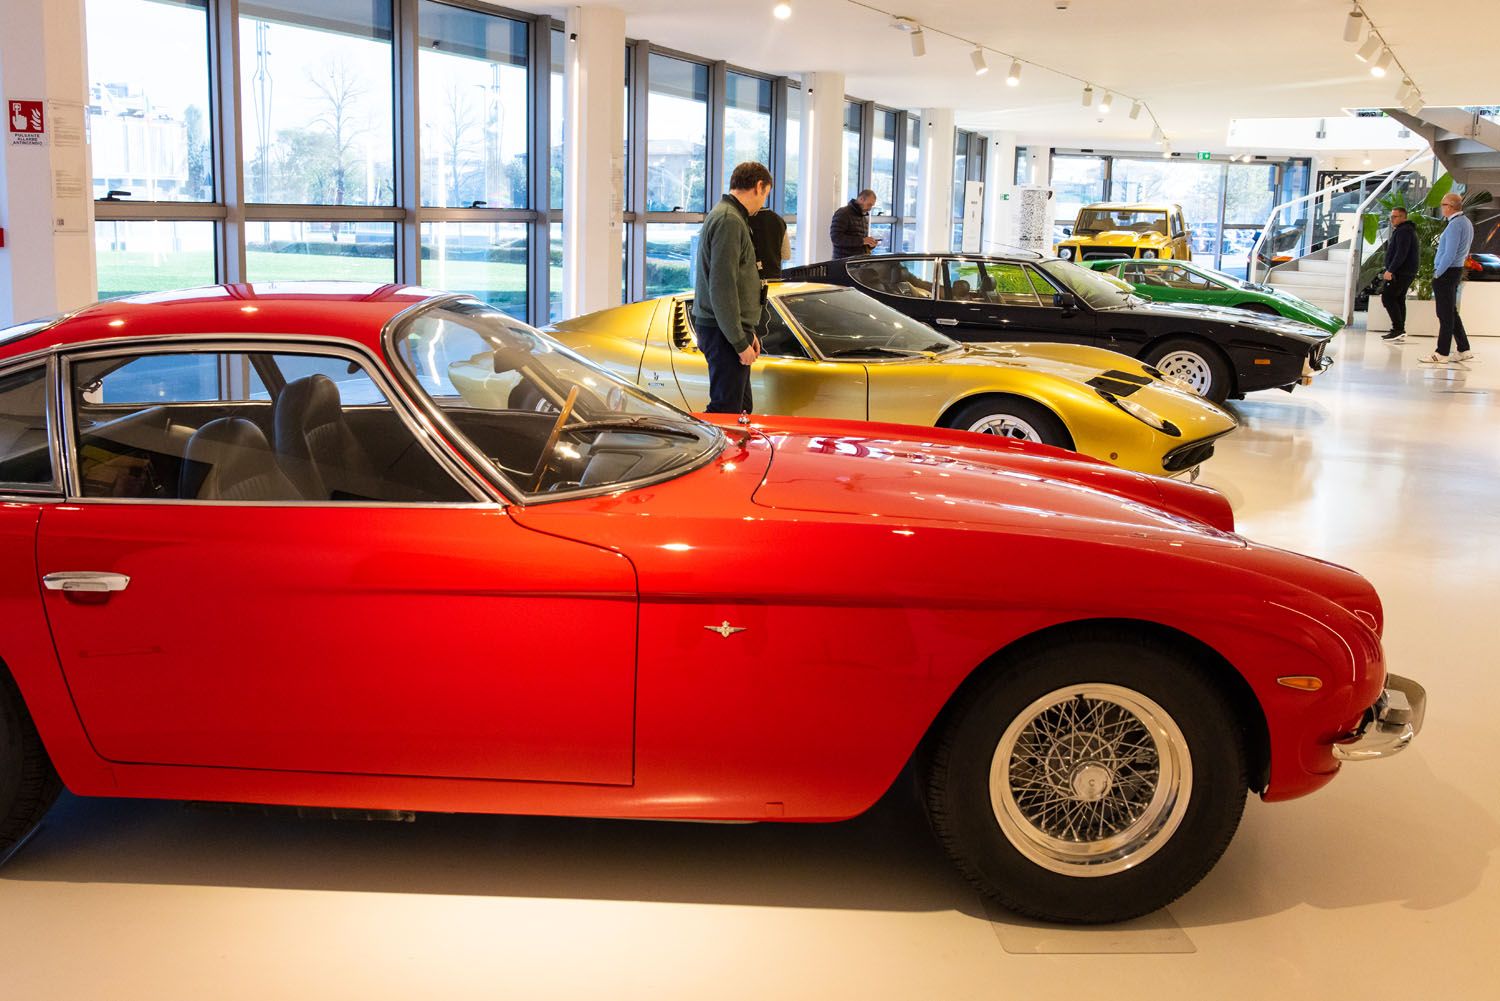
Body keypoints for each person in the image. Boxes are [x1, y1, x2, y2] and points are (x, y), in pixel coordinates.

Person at [693, 161, 772, 413]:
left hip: (727, 329)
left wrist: (747, 332)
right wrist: (739, 341)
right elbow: (722, 286)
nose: (763, 203)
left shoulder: (730, 216)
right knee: (726, 411)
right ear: (758, 186)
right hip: (722, 332)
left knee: (741, 410)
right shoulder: (729, 220)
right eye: (766, 195)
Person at [1421, 192, 1475, 365]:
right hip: (1455, 270)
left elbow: (1449, 253)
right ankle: (1464, 349)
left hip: (1447, 272)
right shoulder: (1466, 222)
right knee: (1451, 312)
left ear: (1451, 206)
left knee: (1445, 315)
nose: (1441, 207)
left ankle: (1442, 352)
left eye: (1443, 204)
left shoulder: (1454, 225)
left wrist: (1438, 272)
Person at [1379, 207, 1418, 343]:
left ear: (1403, 217)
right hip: (1405, 271)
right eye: (1391, 217)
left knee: (1388, 297)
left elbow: (1401, 253)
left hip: (1401, 272)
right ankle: (1399, 329)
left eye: (1395, 217)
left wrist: (1391, 270)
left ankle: (1398, 329)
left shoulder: (1404, 231)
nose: (1392, 219)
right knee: (1398, 299)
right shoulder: (1404, 230)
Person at [831, 189, 880, 260]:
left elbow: (859, 242)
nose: (869, 208)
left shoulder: (863, 217)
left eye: (871, 206)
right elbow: (836, 238)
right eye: (869, 205)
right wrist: (863, 241)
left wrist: (870, 244)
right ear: (861, 199)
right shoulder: (843, 213)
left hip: (858, 262)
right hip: (844, 262)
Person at [747, 205, 790, 280]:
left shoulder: (742, 220)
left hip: (750, 280)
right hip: (774, 278)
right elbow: (786, 255)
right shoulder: (779, 220)